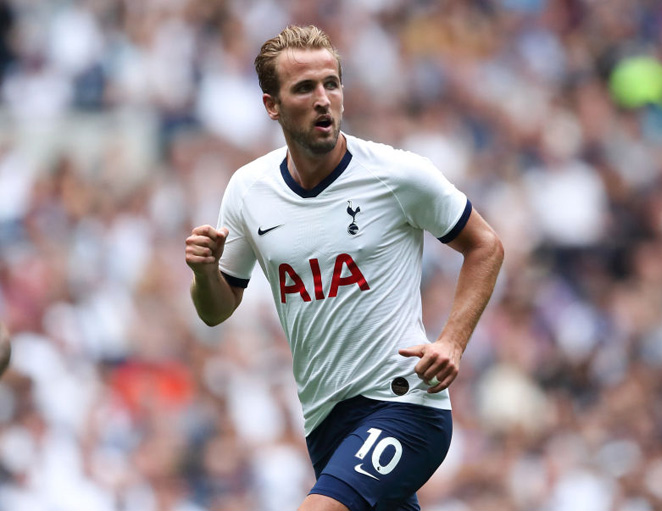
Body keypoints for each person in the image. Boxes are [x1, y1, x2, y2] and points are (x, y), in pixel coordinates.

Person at [185, 25, 504, 511]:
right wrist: (206, 273)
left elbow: (485, 245)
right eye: (304, 88)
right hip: (325, 422)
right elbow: (215, 310)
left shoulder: (396, 174)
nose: (323, 99)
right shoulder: (248, 190)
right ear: (271, 105)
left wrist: (453, 341)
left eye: (331, 84)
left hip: (404, 404)